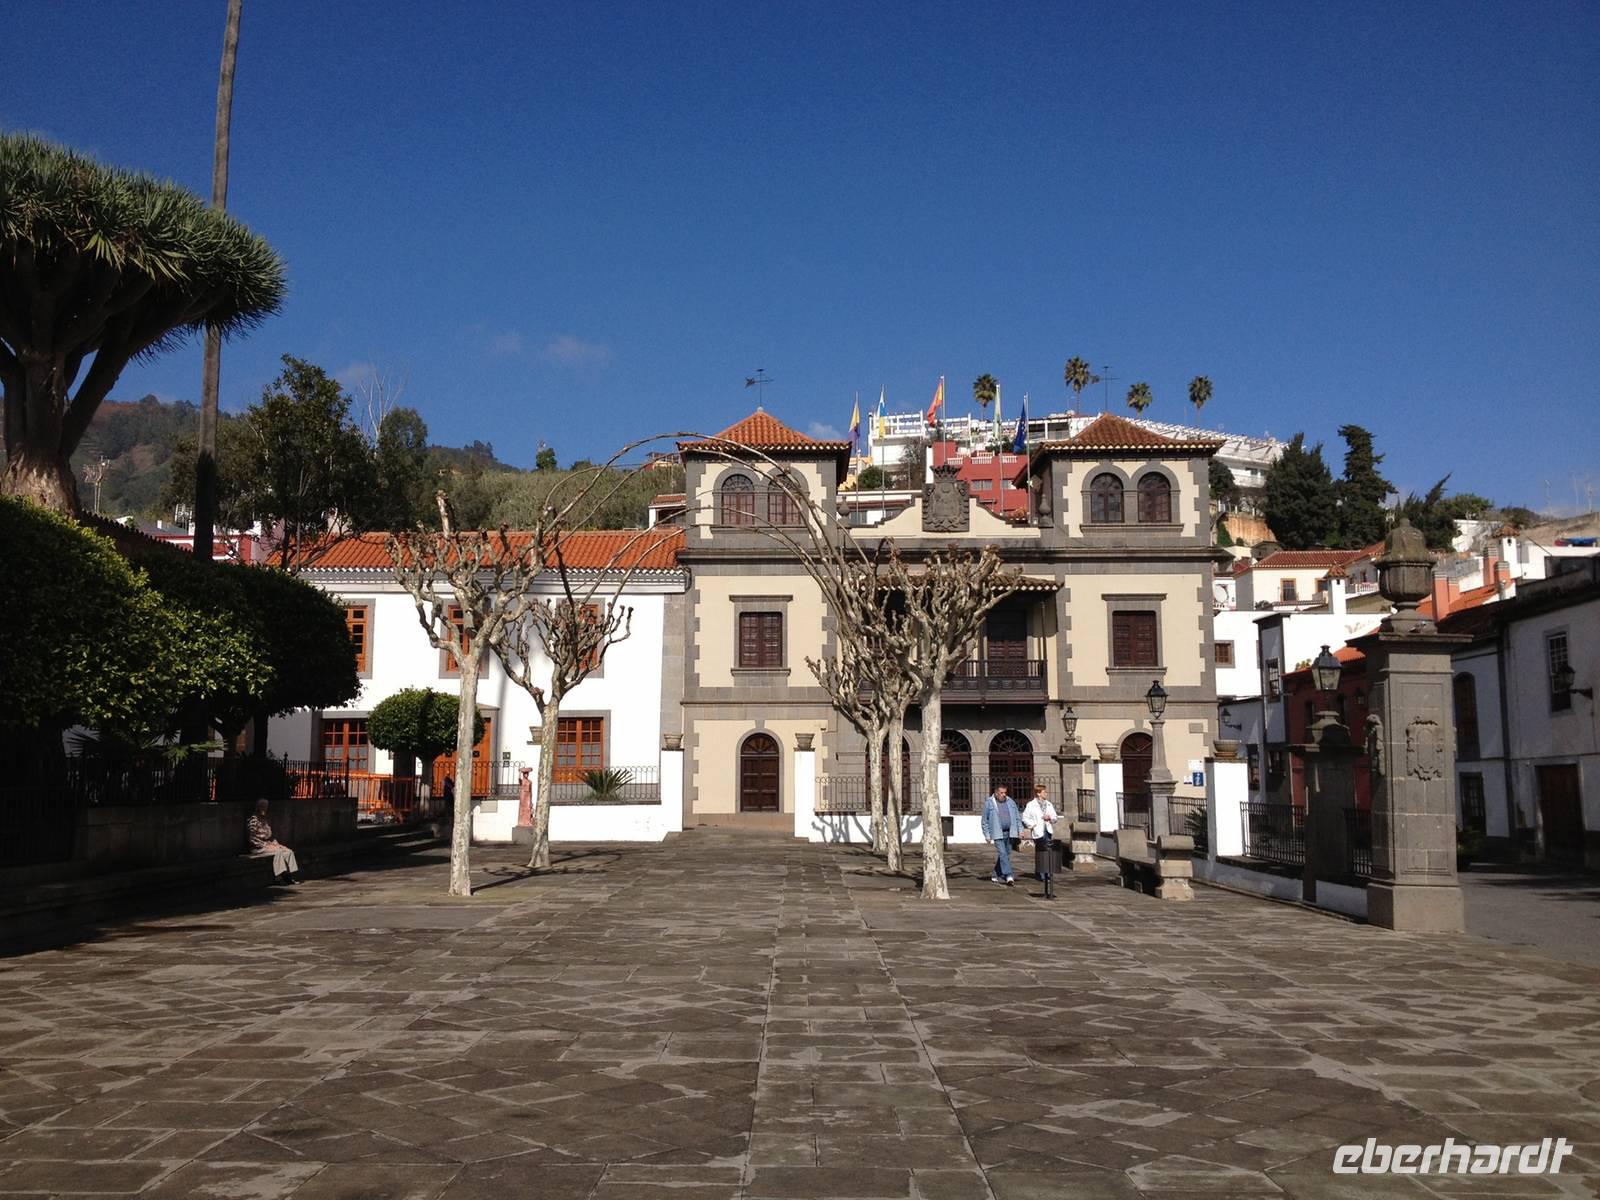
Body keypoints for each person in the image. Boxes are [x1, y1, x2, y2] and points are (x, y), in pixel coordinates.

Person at [247, 798, 299, 884]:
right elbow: (252, 839)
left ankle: (289, 875)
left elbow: (269, 836)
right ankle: (279, 878)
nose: (265, 809)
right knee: (278, 852)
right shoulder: (254, 821)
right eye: (263, 806)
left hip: (268, 844)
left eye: (266, 806)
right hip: (258, 847)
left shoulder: (265, 820)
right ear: (258, 807)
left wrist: (276, 844)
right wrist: (265, 845)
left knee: (288, 851)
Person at [980, 784, 1021, 886]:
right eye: (1001, 793)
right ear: (996, 793)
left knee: (1006, 854)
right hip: (997, 833)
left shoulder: (1010, 802)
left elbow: (1017, 817)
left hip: (1010, 832)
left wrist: (1020, 830)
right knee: (1003, 853)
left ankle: (995, 874)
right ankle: (1009, 875)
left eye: (1005, 793)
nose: (1004, 795)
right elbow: (984, 821)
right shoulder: (989, 803)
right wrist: (987, 835)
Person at [1021, 784, 1060, 883]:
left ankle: (1044, 873)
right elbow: (1025, 818)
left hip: (1047, 831)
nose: (1046, 794)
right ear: (1038, 793)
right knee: (1041, 852)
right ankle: (1042, 874)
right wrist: (1033, 824)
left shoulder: (1049, 804)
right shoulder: (1031, 805)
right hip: (1038, 832)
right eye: (1044, 792)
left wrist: (1050, 818)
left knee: (1047, 852)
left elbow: (1055, 817)